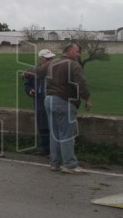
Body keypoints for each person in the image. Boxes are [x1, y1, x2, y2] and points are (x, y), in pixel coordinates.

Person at [26, 43, 92, 174]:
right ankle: (70, 165)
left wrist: (26, 74)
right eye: (77, 51)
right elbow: (81, 83)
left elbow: (37, 71)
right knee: (67, 134)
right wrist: (87, 99)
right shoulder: (73, 65)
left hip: (48, 100)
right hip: (64, 100)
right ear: (69, 51)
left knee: (54, 134)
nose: (79, 54)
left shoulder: (53, 63)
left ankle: (55, 163)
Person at [23, 48, 55, 155]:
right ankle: (46, 149)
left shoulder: (56, 71)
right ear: (41, 59)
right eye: (47, 58)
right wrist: (30, 90)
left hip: (54, 102)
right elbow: (27, 84)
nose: (50, 60)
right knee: (42, 126)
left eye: (51, 58)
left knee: (54, 126)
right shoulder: (34, 71)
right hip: (39, 101)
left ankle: (55, 151)